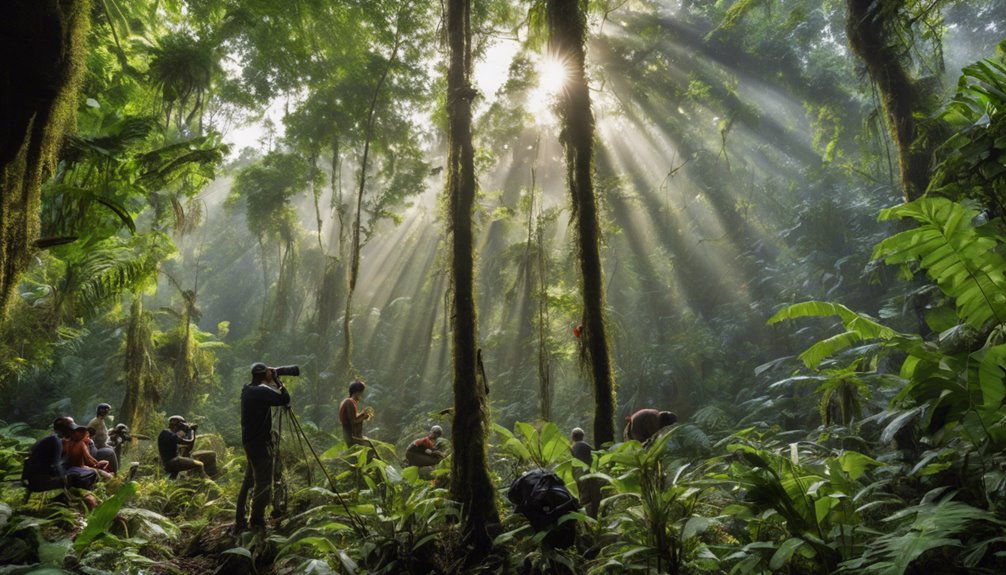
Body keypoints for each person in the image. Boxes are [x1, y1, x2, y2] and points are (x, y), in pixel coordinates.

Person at [235, 362, 291, 532]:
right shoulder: (262, 391)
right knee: (264, 482)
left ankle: (240, 518)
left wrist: (270, 378)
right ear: (264, 375)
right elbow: (285, 398)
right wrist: (277, 380)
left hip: (250, 442)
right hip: (260, 443)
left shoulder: (248, 389)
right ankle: (257, 520)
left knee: (249, 480)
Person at [22, 417, 98, 493]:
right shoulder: (56, 441)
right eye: (70, 430)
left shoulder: (49, 438)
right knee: (89, 474)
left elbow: (31, 453)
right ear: (65, 430)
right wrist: (65, 479)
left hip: (32, 479)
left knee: (75, 471)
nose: (72, 433)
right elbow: (56, 466)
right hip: (40, 482)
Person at [570, 427, 601, 517]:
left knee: (583, 498)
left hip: (578, 477)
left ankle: (585, 520)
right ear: (582, 436)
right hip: (588, 476)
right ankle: (591, 518)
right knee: (591, 499)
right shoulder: (585, 445)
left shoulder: (573, 448)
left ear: (573, 437)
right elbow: (597, 456)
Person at [338, 379, 374, 449]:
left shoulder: (350, 401)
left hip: (353, 435)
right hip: (351, 436)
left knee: (368, 442)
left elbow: (354, 417)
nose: (361, 395)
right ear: (357, 392)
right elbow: (353, 421)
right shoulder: (349, 402)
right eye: (361, 393)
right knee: (369, 445)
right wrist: (364, 417)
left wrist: (362, 414)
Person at [86, 403, 119, 473]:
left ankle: (111, 472)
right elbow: (94, 437)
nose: (108, 413)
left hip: (100, 445)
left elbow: (102, 434)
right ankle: (115, 474)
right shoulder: (96, 422)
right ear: (103, 411)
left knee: (114, 446)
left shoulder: (100, 421)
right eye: (107, 411)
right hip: (95, 448)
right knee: (112, 450)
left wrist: (111, 431)